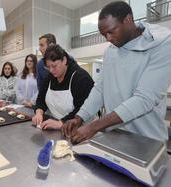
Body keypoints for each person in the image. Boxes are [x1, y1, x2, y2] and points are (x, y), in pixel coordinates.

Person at [62, 1, 171, 144]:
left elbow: (145, 98)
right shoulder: (110, 52)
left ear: (128, 20)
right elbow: (100, 89)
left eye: (111, 31)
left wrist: (94, 126)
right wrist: (80, 117)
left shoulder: (162, 44)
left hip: (147, 140)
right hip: (115, 135)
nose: (108, 39)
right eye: (104, 35)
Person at [32, 44, 94, 130]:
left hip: (81, 129)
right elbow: (41, 99)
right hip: (56, 126)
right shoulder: (49, 78)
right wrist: (38, 113)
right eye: (48, 67)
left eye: (54, 66)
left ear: (64, 60)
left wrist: (61, 123)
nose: (51, 70)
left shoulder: (81, 78)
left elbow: (82, 109)